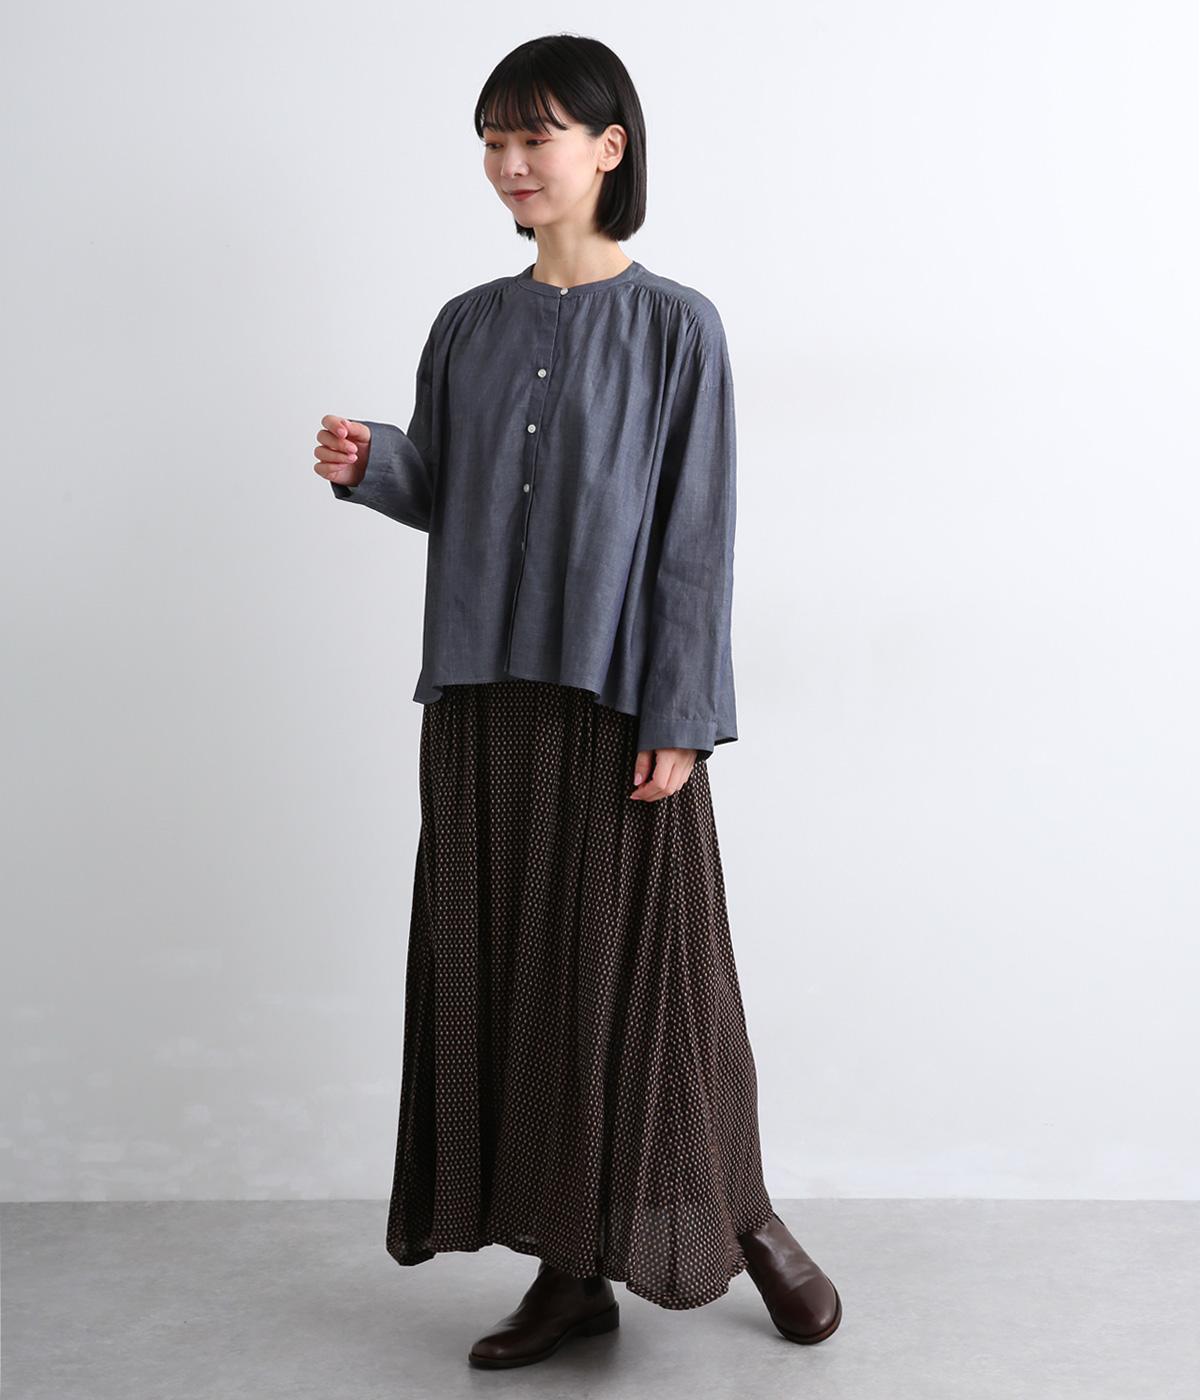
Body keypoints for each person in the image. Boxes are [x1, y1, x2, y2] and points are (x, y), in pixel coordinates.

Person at [312, 33, 841, 1369]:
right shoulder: (467, 325)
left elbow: (697, 536)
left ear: (610, 148)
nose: (509, 162)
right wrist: (376, 464)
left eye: (534, 135)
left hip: (620, 709)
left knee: (654, 992)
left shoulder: (677, 327)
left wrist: (681, 713)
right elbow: (453, 492)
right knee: (523, 991)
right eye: (492, 140)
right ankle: (569, 1275)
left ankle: (748, 1219)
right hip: (483, 698)